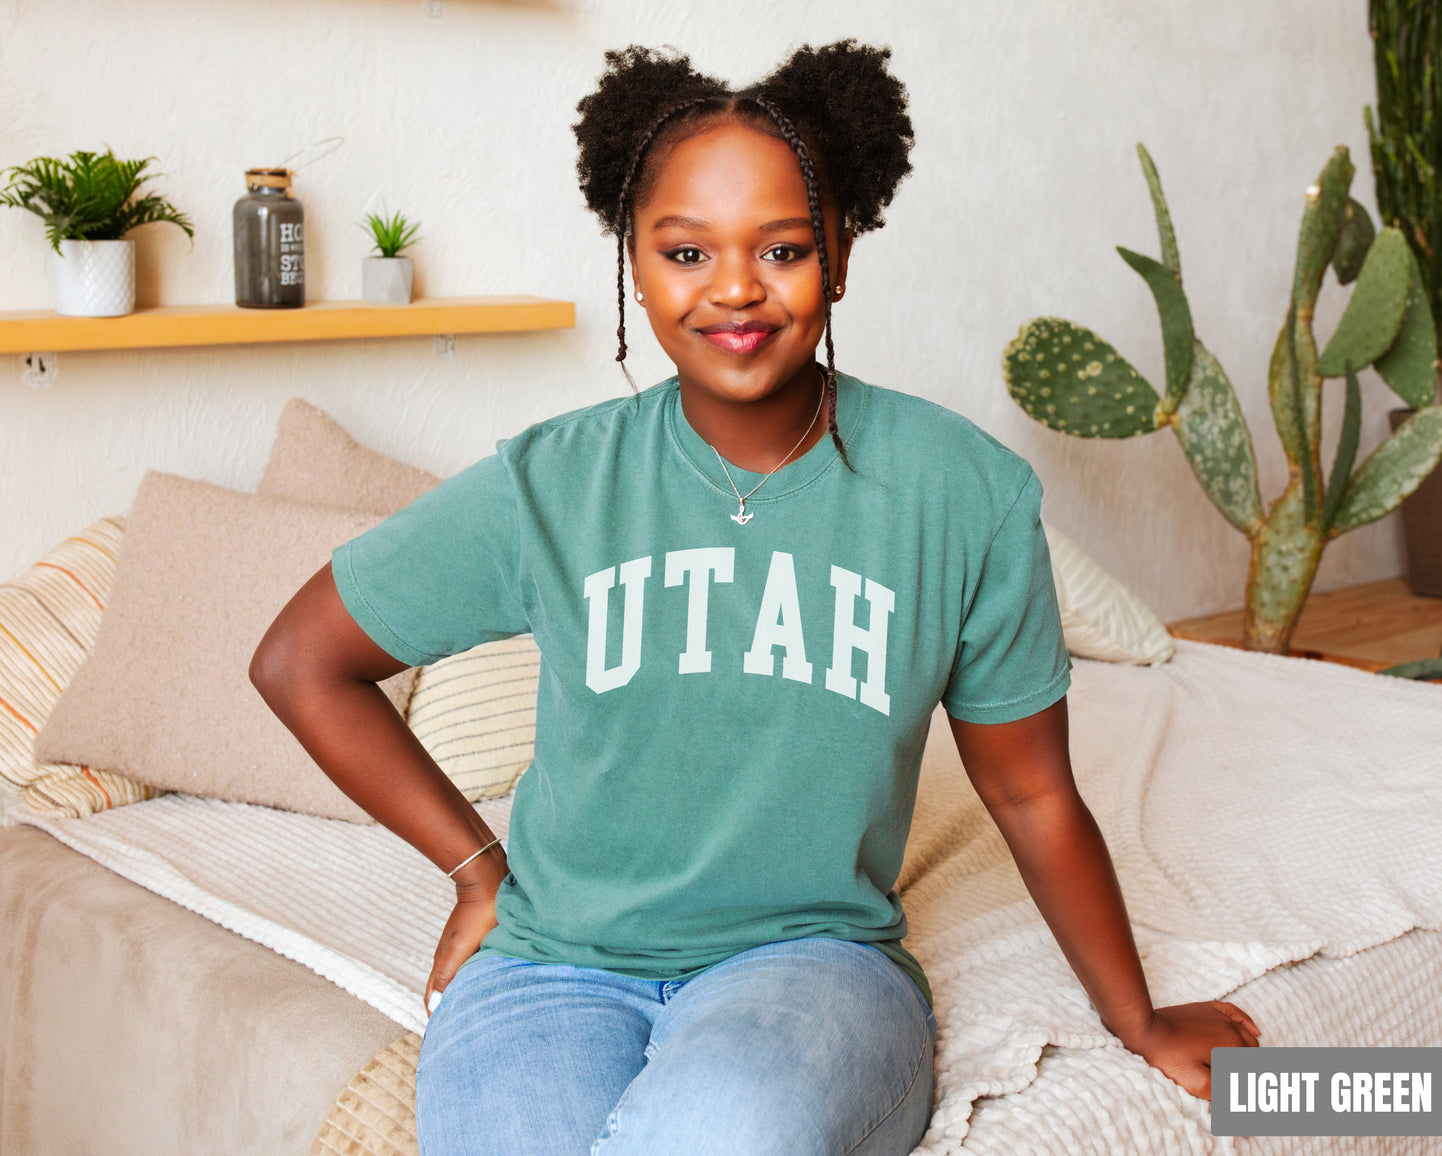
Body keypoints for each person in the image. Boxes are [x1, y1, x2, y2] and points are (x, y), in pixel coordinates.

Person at [250, 40, 1260, 1156]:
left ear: (841, 250)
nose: (734, 287)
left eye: (781, 247)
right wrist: (475, 872)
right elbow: (300, 660)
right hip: (548, 968)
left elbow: (1028, 794)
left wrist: (1135, 1014)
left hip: (811, 970)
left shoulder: (960, 492)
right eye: (685, 250)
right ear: (632, 261)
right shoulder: (551, 484)